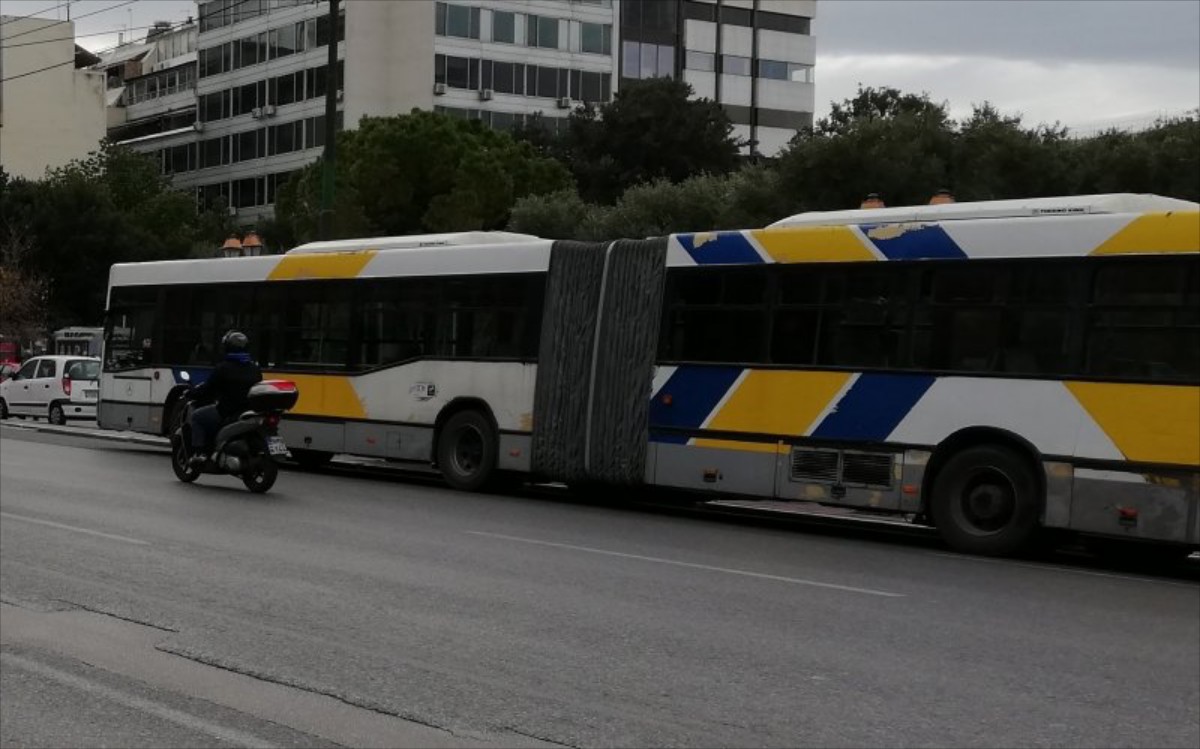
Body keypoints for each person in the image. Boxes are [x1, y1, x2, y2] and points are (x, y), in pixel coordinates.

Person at [188, 330, 262, 464]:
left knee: (197, 416)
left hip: (227, 411)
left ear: (227, 348)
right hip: (249, 411)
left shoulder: (223, 368)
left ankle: (199, 453)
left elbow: (208, 388)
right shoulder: (255, 369)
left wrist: (192, 393)